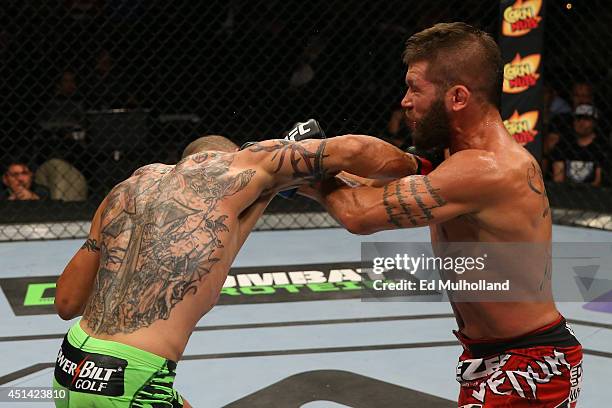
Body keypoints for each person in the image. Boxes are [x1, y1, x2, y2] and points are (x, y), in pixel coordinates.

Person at [301, 23, 582, 407]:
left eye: (415, 88)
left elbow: (360, 214)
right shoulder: (455, 159)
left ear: (458, 97)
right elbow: (377, 176)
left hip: (528, 367)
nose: (404, 101)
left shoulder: (488, 168)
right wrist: (309, 166)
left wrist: (306, 175)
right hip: (490, 356)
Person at [52, 121, 425, 407]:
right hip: (131, 380)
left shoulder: (126, 189)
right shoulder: (238, 169)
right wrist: (420, 163)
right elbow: (356, 147)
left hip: (69, 367)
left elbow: (66, 304)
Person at [552, 104, 608, 187]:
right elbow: (558, 179)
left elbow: (598, 182)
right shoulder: (563, 144)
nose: (581, 123)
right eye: (578, 118)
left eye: (586, 119)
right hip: (565, 193)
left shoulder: (602, 147)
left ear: (594, 123)